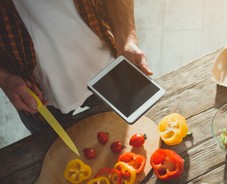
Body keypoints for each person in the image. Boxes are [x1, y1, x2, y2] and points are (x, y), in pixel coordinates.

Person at [0, 0, 152, 133]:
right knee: (57, 157)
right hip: (35, 92)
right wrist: (4, 78)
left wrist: (127, 38)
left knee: (133, 131)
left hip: (108, 63)